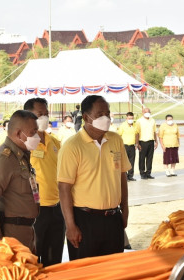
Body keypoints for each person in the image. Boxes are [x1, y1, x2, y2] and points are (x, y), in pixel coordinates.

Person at [57, 95, 131, 260]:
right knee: (86, 272)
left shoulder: (115, 139)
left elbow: (122, 176)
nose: (106, 118)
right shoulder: (72, 146)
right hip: (84, 220)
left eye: (108, 113)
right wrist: (70, 225)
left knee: (113, 270)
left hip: (113, 218)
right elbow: (64, 188)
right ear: (85, 117)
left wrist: (125, 209)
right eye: (99, 115)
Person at [0, 110, 40, 252]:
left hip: (26, 230)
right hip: (11, 233)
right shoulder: (5, 158)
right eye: (33, 132)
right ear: (18, 133)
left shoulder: (21, 155)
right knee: (15, 274)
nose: (37, 136)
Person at [24, 98, 65, 266]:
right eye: (40, 114)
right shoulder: (23, 144)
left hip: (57, 208)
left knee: (54, 259)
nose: (44, 118)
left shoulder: (54, 141)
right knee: (33, 259)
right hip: (34, 210)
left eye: (46, 114)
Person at [135, 108, 158, 179]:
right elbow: (137, 133)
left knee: (150, 158)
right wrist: (137, 143)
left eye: (148, 112)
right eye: (146, 112)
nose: (147, 113)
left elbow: (154, 131)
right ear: (142, 112)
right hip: (143, 141)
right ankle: (142, 173)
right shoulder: (139, 121)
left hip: (151, 141)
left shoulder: (152, 120)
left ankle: (148, 173)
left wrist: (156, 141)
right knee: (142, 158)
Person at [118, 112, 138, 181]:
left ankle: (130, 175)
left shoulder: (135, 125)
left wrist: (136, 144)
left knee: (132, 161)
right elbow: (119, 135)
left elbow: (136, 134)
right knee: (124, 161)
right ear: (126, 118)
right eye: (129, 118)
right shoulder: (122, 125)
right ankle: (125, 176)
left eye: (132, 118)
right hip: (125, 146)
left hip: (132, 146)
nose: (131, 120)